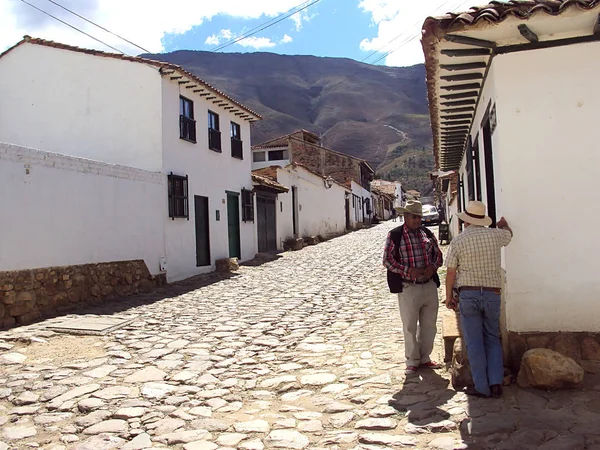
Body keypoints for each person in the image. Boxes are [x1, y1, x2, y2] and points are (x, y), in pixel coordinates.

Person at [444, 200, 513, 398]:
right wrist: (503, 224)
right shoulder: (495, 236)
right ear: (482, 219)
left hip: (469, 294)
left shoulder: (459, 241)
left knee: (474, 341)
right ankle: (496, 383)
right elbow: (509, 235)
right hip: (492, 293)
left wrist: (449, 296)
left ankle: (481, 386)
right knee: (492, 337)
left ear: (466, 221)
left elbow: (450, 272)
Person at [383, 200, 444, 375]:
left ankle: (424, 358)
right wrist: (409, 271)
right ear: (405, 217)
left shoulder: (426, 233)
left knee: (429, 325)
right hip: (408, 287)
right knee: (409, 326)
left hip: (429, 285)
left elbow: (437, 255)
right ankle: (411, 360)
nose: (417, 220)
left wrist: (433, 267)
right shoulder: (395, 235)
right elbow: (387, 260)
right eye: (413, 217)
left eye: (419, 217)